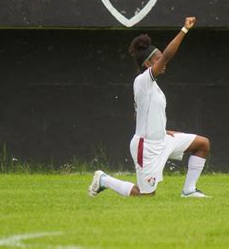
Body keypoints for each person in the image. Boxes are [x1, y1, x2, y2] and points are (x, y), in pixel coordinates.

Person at [88, 17, 211, 198]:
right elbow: (169, 54)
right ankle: (104, 180)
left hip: (163, 139)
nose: (164, 62)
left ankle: (189, 190)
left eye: (162, 58)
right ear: (148, 64)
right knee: (145, 195)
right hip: (147, 147)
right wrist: (184, 29)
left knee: (202, 144)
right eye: (159, 59)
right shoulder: (143, 80)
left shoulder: (153, 86)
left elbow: (146, 115)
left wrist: (164, 130)